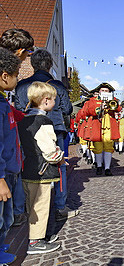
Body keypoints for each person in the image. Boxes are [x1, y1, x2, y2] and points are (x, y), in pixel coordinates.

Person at [14, 49, 76, 222]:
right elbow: (67, 109)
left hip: (28, 130)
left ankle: (20, 210)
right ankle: (60, 207)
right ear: (49, 65)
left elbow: (19, 109)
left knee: (25, 165)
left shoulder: (21, 85)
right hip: (54, 128)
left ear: (33, 64)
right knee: (60, 165)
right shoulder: (56, 85)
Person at [17, 82, 62, 254]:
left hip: (28, 167)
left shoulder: (24, 120)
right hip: (42, 170)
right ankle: (35, 241)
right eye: (54, 99)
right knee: (41, 206)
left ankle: (41, 235)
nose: (55, 103)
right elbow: (50, 151)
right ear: (45, 101)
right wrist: (59, 157)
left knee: (32, 205)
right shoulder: (43, 121)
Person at [0, 48, 23, 264]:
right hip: (2, 173)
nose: (18, 79)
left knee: (6, 217)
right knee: (0, 218)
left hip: (9, 169)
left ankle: (0, 244)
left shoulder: (2, 101)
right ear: (5, 76)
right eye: (16, 74)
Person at [84, 83, 121, 176]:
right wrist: (100, 107)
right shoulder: (93, 100)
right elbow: (88, 111)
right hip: (97, 126)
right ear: (99, 91)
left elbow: (118, 109)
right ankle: (99, 166)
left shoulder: (114, 100)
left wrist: (111, 102)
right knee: (98, 147)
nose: (104, 92)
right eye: (103, 90)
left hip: (109, 127)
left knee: (108, 147)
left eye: (106, 91)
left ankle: (107, 168)